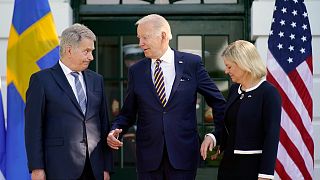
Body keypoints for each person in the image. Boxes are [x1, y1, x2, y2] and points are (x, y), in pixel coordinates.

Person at [107, 14, 226, 180]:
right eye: (139, 38)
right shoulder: (136, 71)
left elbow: (219, 103)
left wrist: (215, 135)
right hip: (148, 159)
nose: (140, 43)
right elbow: (127, 113)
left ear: (163, 35)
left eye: (144, 37)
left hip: (183, 157)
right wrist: (115, 130)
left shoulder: (192, 64)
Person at [25, 23, 113, 180]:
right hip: (58, 168)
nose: (91, 57)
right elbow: (33, 128)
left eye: (91, 52)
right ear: (69, 50)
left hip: (94, 168)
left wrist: (106, 167)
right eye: (86, 51)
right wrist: (37, 168)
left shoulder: (96, 80)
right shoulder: (41, 80)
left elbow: (103, 123)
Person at [200, 40, 282, 180]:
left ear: (244, 64)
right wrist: (213, 137)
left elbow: (271, 137)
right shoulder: (234, 90)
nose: (226, 71)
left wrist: (265, 175)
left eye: (229, 66)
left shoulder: (269, 93)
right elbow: (231, 126)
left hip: (252, 169)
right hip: (228, 167)